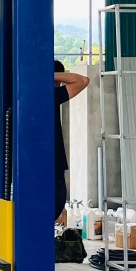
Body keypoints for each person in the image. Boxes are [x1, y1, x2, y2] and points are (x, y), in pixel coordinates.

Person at [54, 60, 90, 224]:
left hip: (37, 163)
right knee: (55, 203)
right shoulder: (50, 94)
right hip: (53, 164)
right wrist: (51, 76)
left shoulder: (31, 93)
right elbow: (83, 81)